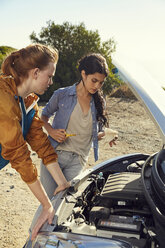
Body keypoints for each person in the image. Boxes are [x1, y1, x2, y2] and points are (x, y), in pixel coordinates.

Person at [0, 44, 70, 241]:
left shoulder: (29, 102)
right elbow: (18, 154)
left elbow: (41, 145)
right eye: (50, 76)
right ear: (36, 72)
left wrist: (62, 183)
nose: (51, 82)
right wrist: (47, 205)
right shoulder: (2, 96)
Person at [40, 53, 117, 199]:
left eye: (101, 83)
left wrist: (106, 136)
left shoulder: (100, 103)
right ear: (83, 74)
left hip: (78, 161)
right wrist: (52, 131)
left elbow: (96, 133)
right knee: (49, 203)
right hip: (54, 156)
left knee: (63, 205)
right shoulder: (62, 94)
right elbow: (43, 116)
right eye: (94, 80)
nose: (97, 86)